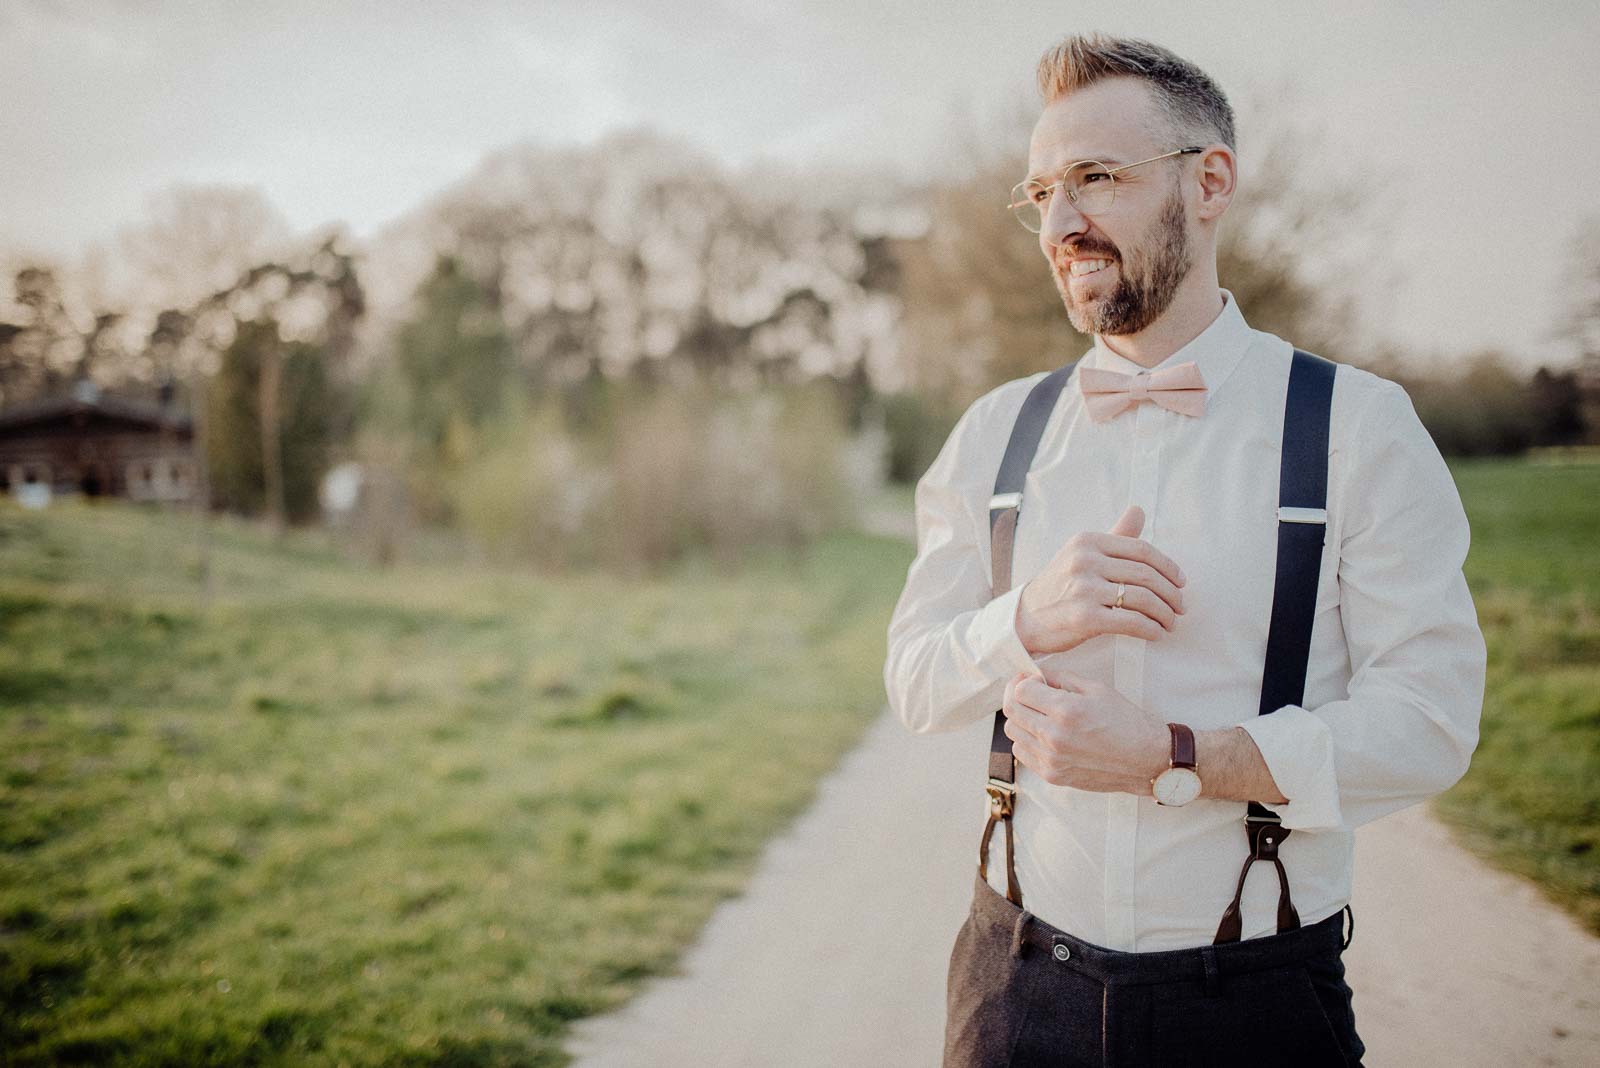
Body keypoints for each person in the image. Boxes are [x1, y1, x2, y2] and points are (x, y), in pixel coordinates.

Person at [882, 33, 1485, 1067]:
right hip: (1012, 990)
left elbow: (1428, 725)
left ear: (1209, 183)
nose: (1061, 224)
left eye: (1096, 179)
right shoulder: (995, 433)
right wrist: (1022, 618)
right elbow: (915, 679)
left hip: (1253, 1001)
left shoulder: (1358, 429)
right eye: (1041, 194)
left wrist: (1178, 760)